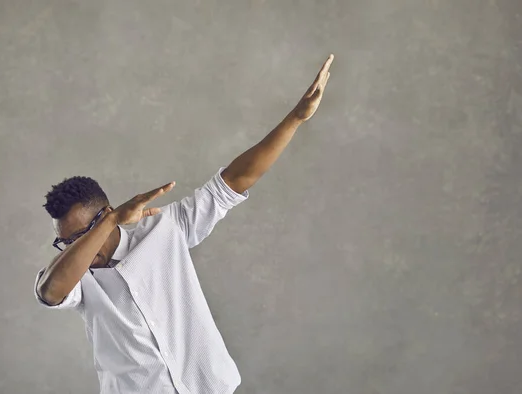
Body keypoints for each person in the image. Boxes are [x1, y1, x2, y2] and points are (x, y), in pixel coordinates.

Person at [34, 54, 334, 394]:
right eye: (69, 242)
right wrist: (106, 226)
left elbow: (234, 181)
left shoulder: (164, 229)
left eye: (84, 234)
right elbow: (50, 292)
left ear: (105, 213)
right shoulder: (75, 277)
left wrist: (295, 118)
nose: (78, 249)